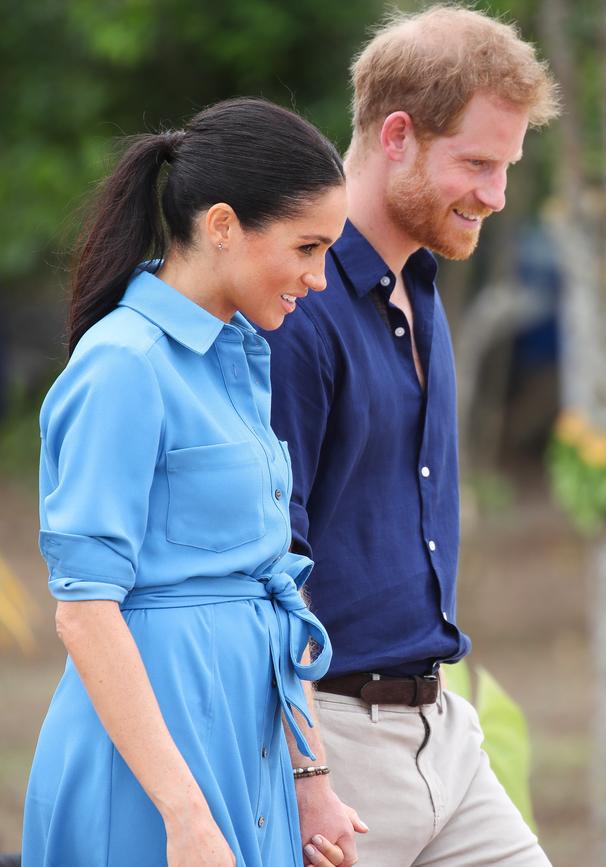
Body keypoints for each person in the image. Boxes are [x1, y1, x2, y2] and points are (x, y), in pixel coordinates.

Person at [21, 97, 364, 867]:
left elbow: (275, 583)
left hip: (246, 757)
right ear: (221, 226)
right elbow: (84, 611)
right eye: (306, 247)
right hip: (152, 771)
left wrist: (309, 779)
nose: (318, 278)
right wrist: (185, 813)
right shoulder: (123, 365)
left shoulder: (240, 359)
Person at [258, 6, 561, 867]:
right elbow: (268, 562)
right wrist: (307, 769)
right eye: (478, 163)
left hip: (447, 735)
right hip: (337, 744)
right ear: (397, 135)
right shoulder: (297, 308)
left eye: (506, 167)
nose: (496, 196)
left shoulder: (421, 280)